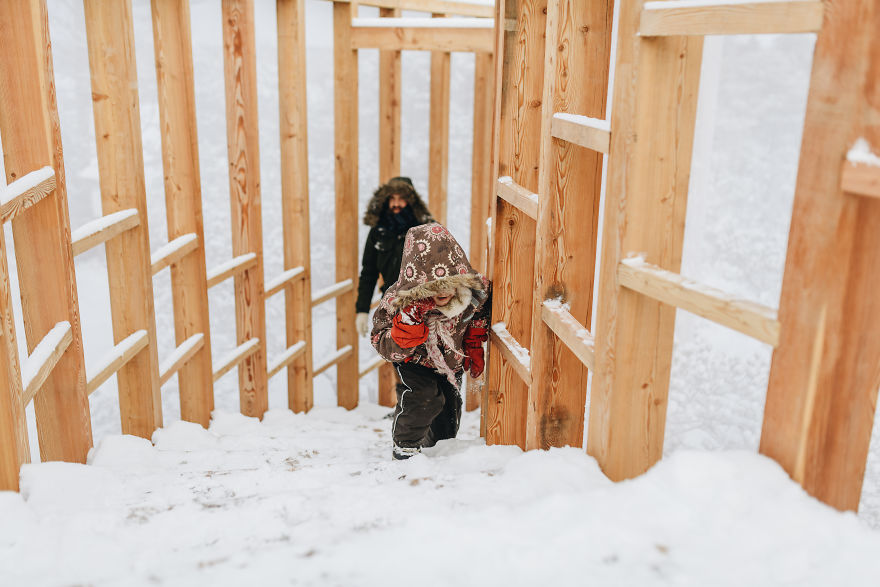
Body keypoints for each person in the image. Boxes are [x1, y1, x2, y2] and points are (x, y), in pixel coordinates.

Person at [370, 223, 491, 460]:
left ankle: (436, 449)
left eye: (449, 284)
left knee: (447, 417)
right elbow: (379, 338)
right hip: (414, 360)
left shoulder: (472, 293)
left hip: (450, 362)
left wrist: (474, 343)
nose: (443, 293)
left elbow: (479, 313)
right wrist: (402, 336)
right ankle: (405, 446)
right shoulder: (400, 303)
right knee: (423, 395)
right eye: (434, 287)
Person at [355, 177, 434, 338]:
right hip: (392, 308)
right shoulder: (378, 232)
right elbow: (368, 273)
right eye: (392, 198)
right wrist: (362, 310)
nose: (396, 204)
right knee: (398, 358)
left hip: (425, 308)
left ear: (411, 201)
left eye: (401, 199)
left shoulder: (427, 229)